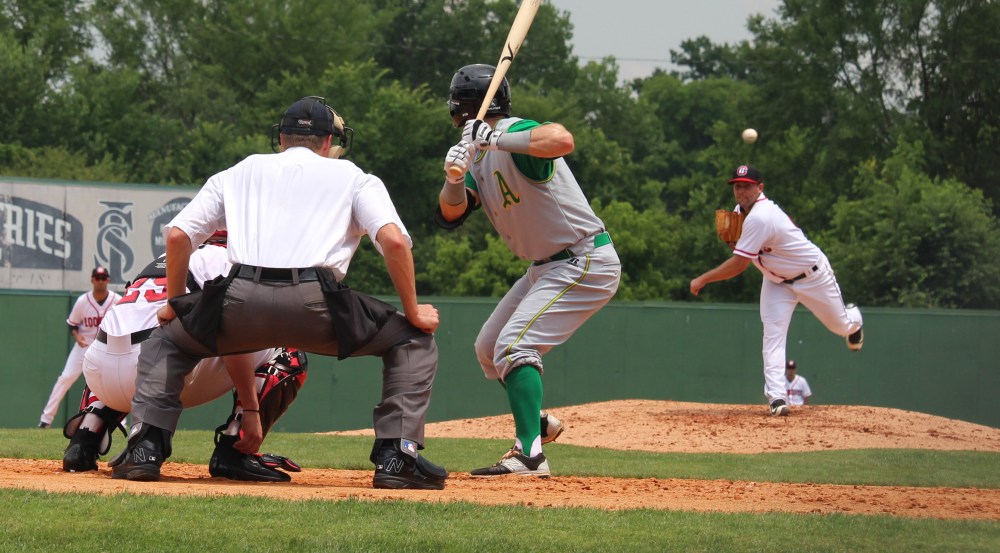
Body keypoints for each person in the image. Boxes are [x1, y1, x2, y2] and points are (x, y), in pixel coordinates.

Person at [109, 96, 447, 491]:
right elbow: (393, 242)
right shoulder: (353, 176)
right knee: (411, 338)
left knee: (166, 340)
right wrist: (413, 309)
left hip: (238, 300)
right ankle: (397, 455)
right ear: (327, 143)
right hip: (317, 303)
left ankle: (145, 447)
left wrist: (175, 302)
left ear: (281, 138)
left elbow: (179, 235)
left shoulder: (241, 170)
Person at [437, 64, 621, 477]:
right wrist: (454, 177)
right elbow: (449, 215)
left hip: (582, 259)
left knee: (515, 346)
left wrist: (497, 138)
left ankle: (530, 455)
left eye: (455, 110)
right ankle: (536, 423)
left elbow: (562, 139)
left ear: (460, 110)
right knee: (489, 349)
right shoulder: (478, 152)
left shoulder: (517, 134)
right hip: (546, 267)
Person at [62, 232, 308, 482]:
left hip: (98, 373)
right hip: (156, 374)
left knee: (125, 342)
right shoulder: (232, 261)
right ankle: (234, 449)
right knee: (289, 352)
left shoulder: (165, 258)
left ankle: (86, 435)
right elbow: (234, 341)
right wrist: (252, 411)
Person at [690, 164, 863, 416]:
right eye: (737, 186)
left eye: (747, 186)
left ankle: (854, 321)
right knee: (772, 335)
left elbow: (739, 265)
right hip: (775, 280)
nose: (741, 191)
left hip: (812, 277)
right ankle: (777, 398)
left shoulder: (762, 216)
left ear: (760, 188)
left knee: (840, 326)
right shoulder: (741, 212)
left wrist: (702, 279)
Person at [38, 267, 122, 428]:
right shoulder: (83, 301)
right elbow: (72, 324)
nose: (100, 280)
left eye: (103, 277)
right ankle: (45, 420)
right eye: (97, 277)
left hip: (106, 348)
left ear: (108, 280)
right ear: (92, 280)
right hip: (84, 346)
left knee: (113, 384)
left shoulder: (117, 300)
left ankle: (121, 422)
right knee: (66, 378)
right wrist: (77, 338)